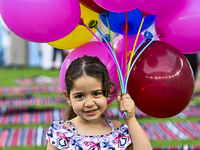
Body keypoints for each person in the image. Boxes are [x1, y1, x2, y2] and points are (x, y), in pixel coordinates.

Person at [46, 55, 152, 150]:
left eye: (96, 94)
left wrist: (131, 119)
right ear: (68, 97)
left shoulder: (119, 132)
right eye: (79, 96)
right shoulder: (60, 133)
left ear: (108, 91)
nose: (89, 103)